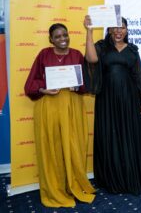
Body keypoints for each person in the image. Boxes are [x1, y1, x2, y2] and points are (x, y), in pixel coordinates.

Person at [25, 23, 96, 207]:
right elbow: (30, 84)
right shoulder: (43, 54)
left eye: (65, 34)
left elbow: (85, 84)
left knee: (73, 148)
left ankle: (73, 184)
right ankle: (55, 188)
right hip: (49, 107)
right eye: (57, 36)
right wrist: (43, 89)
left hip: (72, 107)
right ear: (51, 39)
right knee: (52, 149)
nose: (62, 38)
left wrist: (77, 86)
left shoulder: (76, 55)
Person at [83, 15, 141, 195]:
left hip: (129, 99)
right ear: (109, 30)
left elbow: (138, 75)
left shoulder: (132, 49)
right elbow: (91, 59)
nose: (118, 31)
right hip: (107, 99)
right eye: (114, 27)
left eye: (122, 27)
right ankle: (112, 178)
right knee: (110, 134)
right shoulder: (102, 46)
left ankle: (130, 176)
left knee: (129, 134)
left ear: (127, 30)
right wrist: (89, 32)